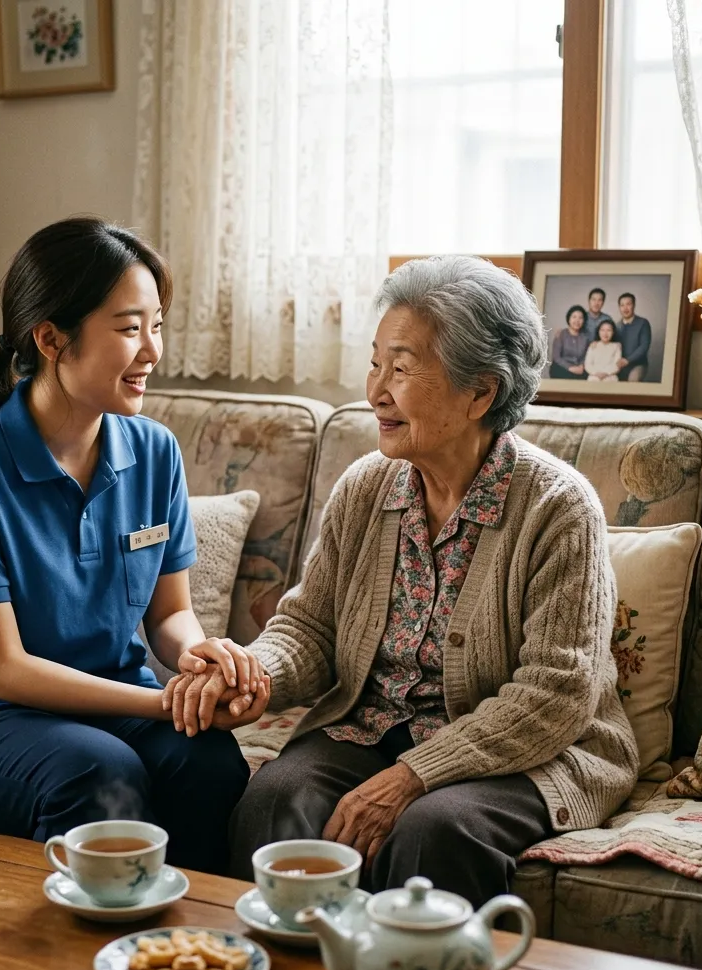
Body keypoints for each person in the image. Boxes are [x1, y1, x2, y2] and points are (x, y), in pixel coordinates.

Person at [165, 255, 640, 909]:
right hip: (375, 726)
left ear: (481, 393)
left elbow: (556, 694)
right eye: (375, 364)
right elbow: (311, 627)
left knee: (432, 834)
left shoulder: (558, 508)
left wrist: (413, 777)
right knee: (274, 802)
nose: (376, 392)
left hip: (528, 749)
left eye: (402, 369)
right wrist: (255, 676)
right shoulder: (367, 486)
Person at [0, 217, 269, 874]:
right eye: (130, 329)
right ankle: (80, 941)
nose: (153, 350)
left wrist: (201, 663)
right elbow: (4, 669)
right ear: (51, 339)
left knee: (209, 762)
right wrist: (162, 702)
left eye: (157, 325)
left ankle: (189, 934)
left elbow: (169, 615)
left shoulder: (155, 452)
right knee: (101, 773)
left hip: (110, 698)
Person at [615, 293, 652, 382]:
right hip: (620, 365)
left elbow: (644, 346)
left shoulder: (643, 323)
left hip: (637, 365)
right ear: (619, 307)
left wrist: (628, 360)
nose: (625, 308)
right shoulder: (616, 326)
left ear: (634, 305)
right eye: (622, 305)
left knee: (633, 381)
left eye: (628, 304)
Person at [548, 304, 588, 379]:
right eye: (574, 317)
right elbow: (556, 357)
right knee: (556, 368)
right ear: (569, 319)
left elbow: (585, 357)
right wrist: (570, 367)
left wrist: (581, 366)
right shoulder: (561, 334)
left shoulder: (585, 338)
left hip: (578, 368)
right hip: (562, 368)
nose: (577, 320)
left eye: (580, 318)